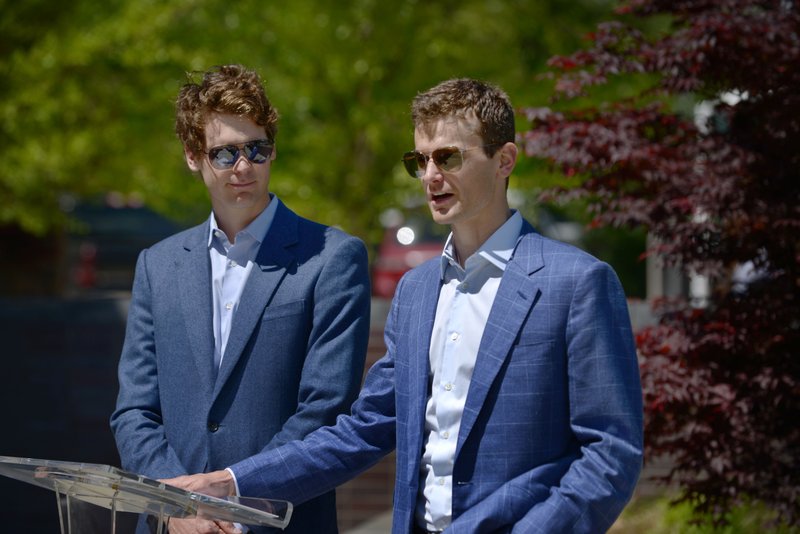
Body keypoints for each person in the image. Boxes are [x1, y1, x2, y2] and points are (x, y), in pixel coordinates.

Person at [165, 78, 643, 533]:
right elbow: (365, 429)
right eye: (422, 160)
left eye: (450, 157)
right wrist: (232, 482)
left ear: (505, 160)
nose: (432, 176)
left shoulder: (578, 282)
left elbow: (610, 455)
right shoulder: (416, 292)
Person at [110, 64, 371, 534]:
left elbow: (325, 410)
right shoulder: (157, 264)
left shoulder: (334, 258)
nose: (244, 167)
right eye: (225, 153)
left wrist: (232, 508)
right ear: (193, 156)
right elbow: (135, 410)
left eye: (257, 149)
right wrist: (177, 509)